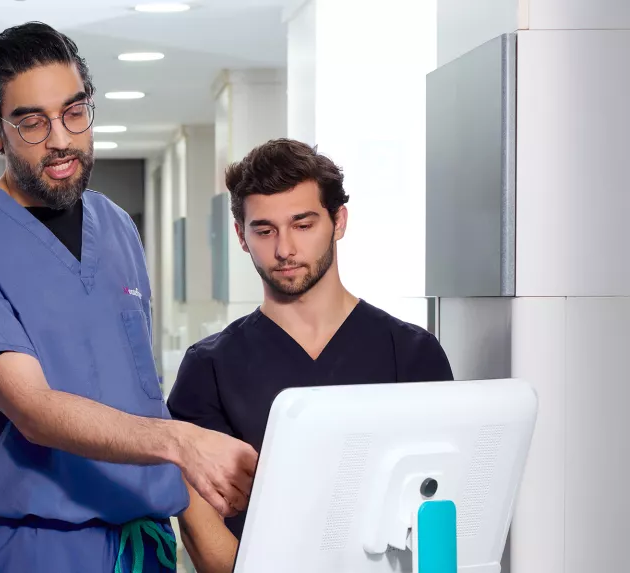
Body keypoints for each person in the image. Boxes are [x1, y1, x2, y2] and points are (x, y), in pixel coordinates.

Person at [0, 22, 258, 573]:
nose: (61, 138)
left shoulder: (117, 226)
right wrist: (181, 442)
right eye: (33, 122)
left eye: (74, 112)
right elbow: (33, 409)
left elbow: (137, 390)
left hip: (145, 543)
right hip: (39, 547)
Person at [167, 138, 456, 569]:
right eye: (264, 230)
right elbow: (200, 524)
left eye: (302, 225)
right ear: (241, 236)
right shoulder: (209, 368)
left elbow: (442, 499)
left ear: (339, 221)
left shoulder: (412, 354)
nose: (284, 249)